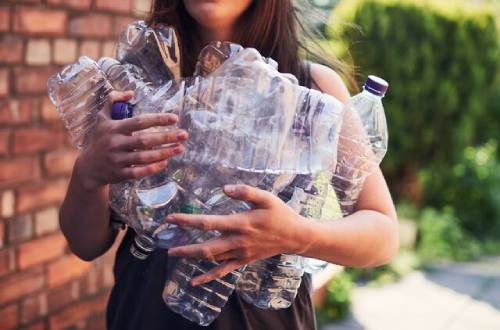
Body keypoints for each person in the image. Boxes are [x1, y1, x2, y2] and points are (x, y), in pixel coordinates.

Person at [59, 1, 398, 329]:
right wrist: (88, 174)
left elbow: (382, 233)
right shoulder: (135, 82)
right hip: (142, 316)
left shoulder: (312, 89)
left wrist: (295, 234)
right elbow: (86, 244)